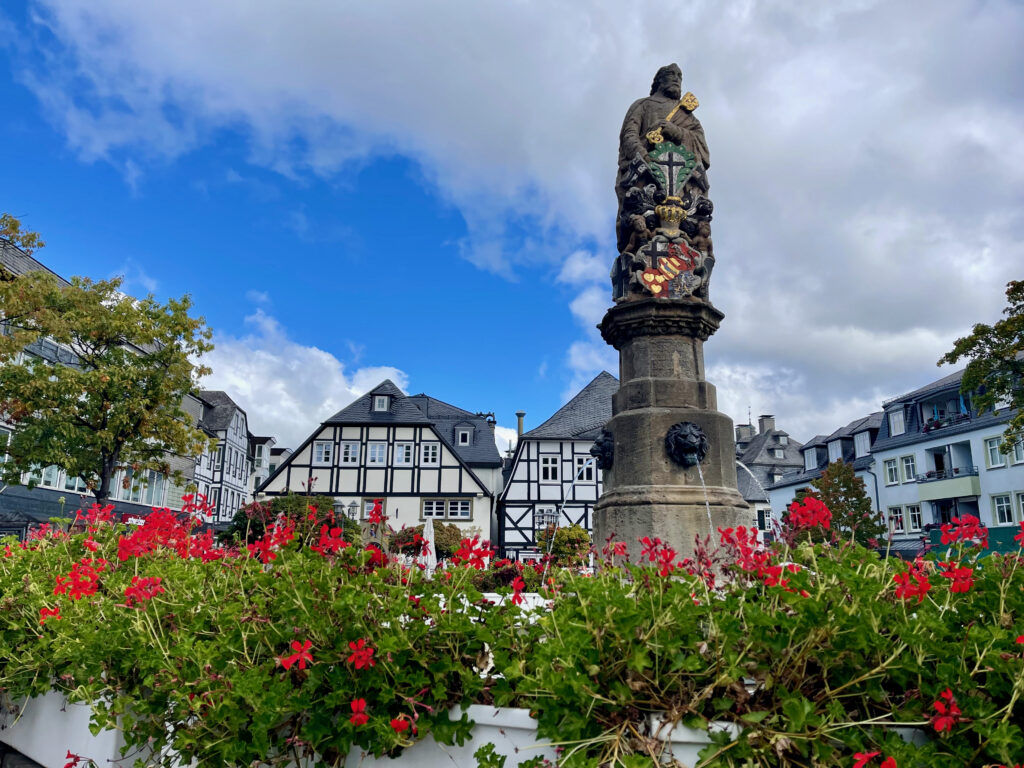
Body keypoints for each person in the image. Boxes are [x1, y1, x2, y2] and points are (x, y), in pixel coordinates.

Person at [615, 64, 710, 246]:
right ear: (659, 80)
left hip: (680, 185)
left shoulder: (687, 115)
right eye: (671, 74)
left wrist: (676, 131)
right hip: (647, 177)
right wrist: (643, 155)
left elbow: (701, 146)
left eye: (679, 76)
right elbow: (629, 135)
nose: (676, 79)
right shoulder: (643, 105)